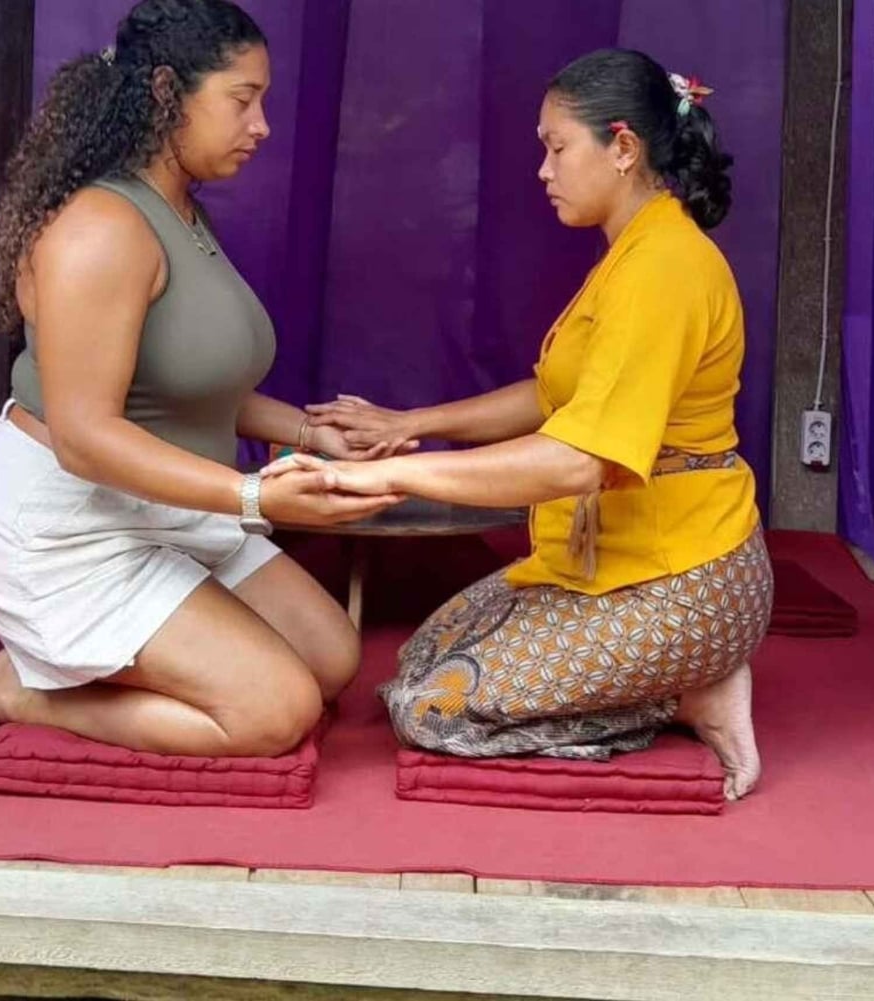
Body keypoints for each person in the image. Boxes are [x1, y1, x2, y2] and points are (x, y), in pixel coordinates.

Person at [276, 49, 773, 799]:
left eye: (556, 147)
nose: (543, 169)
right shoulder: (633, 251)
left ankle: (687, 690)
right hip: (608, 563)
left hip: (681, 581)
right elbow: (555, 393)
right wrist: (411, 424)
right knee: (415, 663)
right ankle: (672, 682)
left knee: (429, 710)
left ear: (624, 149)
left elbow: (578, 459)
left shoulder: (666, 268)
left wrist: (387, 472)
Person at [0, 0, 405, 757]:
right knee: (276, 711)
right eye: (242, 101)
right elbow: (84, 437)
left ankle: (126, 655)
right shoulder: (101, 229)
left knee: (330, 656)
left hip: (156, 504)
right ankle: (22, 690)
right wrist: (254, 494)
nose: (262, 126)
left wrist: (314, 434)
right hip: (61, 522)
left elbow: (186, 385)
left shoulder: (181, 211)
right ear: (165, 94)